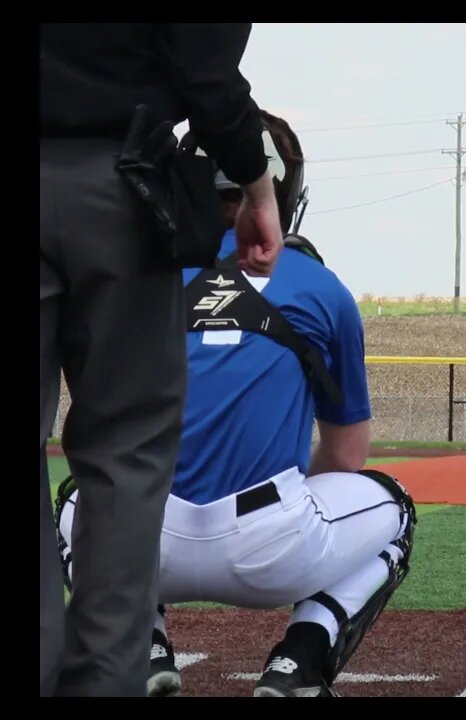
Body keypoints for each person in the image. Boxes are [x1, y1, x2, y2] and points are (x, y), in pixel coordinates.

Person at [53, 111, 417, 698]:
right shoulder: (322, 290)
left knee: (77, 499)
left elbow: (98, 420)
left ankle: (142, 647)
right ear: (285, 191)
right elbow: (347, 455)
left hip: (143, 542)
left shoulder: (138, 274)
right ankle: (300, 662)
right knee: (394, 510)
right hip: (273, 547)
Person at [40, 23, 284, 697]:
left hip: (119, 175)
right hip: (124, 184)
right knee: (126, 453)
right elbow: (207, 74)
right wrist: (257, 186)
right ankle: (105, 684)